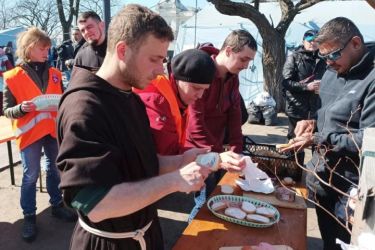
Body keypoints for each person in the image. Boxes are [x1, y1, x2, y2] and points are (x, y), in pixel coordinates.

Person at [56, 4, 245, 250]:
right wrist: (175, 180)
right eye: (154, 59)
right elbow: (96, 204)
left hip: (145, 233)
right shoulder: (84, 108)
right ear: (122, 50)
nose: (160, 71)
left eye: (163, 60)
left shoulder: (129, 98)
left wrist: (181, 160)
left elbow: (139, 164)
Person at [282, 17, 375, 250]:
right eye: (323, 57)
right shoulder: (332, 70)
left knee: (345, 244)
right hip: (324, 177)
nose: (328, 63)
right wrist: (312, 123)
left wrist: (318, 138)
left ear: (355, 43)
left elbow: (369, 139)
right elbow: (330, 114)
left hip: (351, 186)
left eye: (332, 55)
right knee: (328, 242)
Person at [2, 27, 77, 242]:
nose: (47, 51)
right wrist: (20, 109)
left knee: (54, 170)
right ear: (29, 48)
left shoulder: (54, 73)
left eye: (48, 48)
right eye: (43, 47)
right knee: (30, 175)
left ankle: (56, 205)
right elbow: (7, 110)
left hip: (51, 131)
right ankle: (29, 216)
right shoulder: (12, 76)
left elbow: (62, 99)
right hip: (29, 133)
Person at [186, 30, 257, 154]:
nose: (246, 66)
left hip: (216, 146)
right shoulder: (201, 72)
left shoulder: (233, 77)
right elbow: (194, 122)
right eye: (243, 59)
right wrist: (217, 152)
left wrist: (237, 149)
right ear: (228, 51)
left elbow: (235, 114)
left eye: (249, 61)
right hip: (193, 149)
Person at [282, 29, 326, 140]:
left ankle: (316, 158)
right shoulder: (293, 57)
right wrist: (306, 87)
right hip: (297, 107)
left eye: (315, 40)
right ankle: (295, 157)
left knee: (316, 140)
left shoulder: (324, 59)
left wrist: (324, 85)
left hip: (317, 108)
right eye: (309, 40)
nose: (312, 42)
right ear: (303, 42)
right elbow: (286, 82)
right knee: (295, 141)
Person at [0, 47, 13, 115]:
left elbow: (10, 69)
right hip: (3, 82)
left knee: (3, 97)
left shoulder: (5, 59)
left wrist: (6, 61)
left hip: (3, 83)